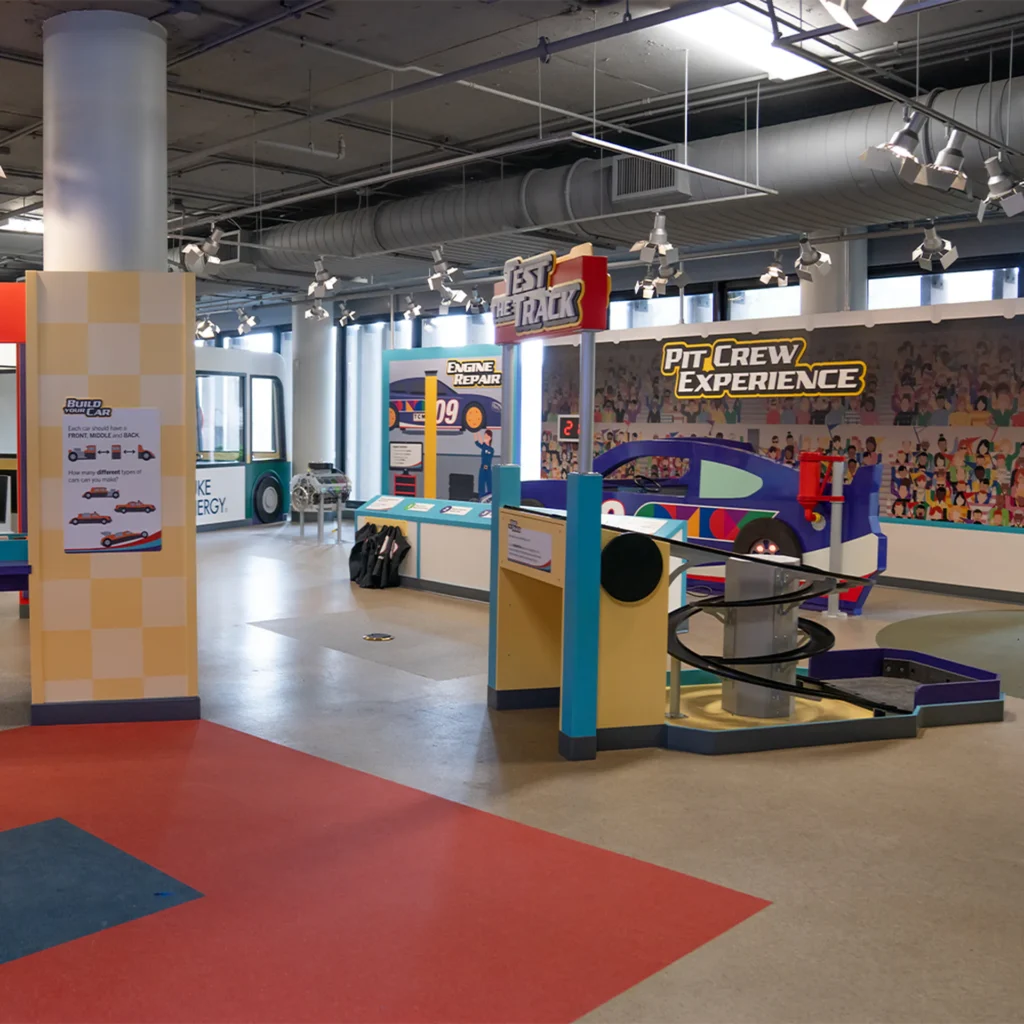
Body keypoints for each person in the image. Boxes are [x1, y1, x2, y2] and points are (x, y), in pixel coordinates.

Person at [474, 429, 495, 498]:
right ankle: (481, 498)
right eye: (484, 436)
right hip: (482, 468)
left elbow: (485, 447)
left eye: (487, 437)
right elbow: (477, 442)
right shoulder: (483, 447)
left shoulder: (491, 449)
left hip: (488, 469)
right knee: (481, 485)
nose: (485, 438)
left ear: (490, 438)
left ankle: (490, 498)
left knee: (490, 485)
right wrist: (476, 431)